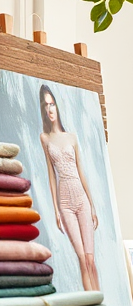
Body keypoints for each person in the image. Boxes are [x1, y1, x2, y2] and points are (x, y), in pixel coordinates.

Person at [38, 84, 100, 291]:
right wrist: (55, 210)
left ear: (57, 106)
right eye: (46, 105)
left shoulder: (72, 137)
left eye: (52, 104)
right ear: (43, 110)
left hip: (81, 199)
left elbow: (81, 172)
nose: (50, 109)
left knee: (91, 261)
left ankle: (101, 305)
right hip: (65, 203)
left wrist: (91, 206)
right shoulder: (44, 138)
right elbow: (51, 176)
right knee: (82, 260)